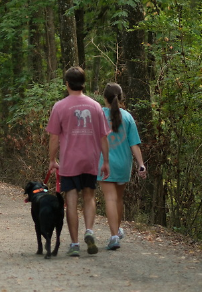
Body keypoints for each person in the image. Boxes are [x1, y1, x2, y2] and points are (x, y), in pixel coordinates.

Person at [46, 66, 110, 257]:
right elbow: (103, 137)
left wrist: (52, 159)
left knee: (71, 201)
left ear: (67, 84)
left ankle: (74, 244)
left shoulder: (60, 106)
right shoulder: (96, 106)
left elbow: (54, 138)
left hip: (70, 162)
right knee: (89, 197)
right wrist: (105, 161)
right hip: (90, 159)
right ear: (84, 83)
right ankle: (89, 231)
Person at [97, 83, 147, 250]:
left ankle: (113, 237)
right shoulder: (127, 117)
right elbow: (134, 144)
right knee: (118, 198)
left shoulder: (99, 115)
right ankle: (116, 232)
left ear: (104, 98)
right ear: (121, 97)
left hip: (104, 163)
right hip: (123, 164)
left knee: (109, 198)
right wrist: (141, 165)